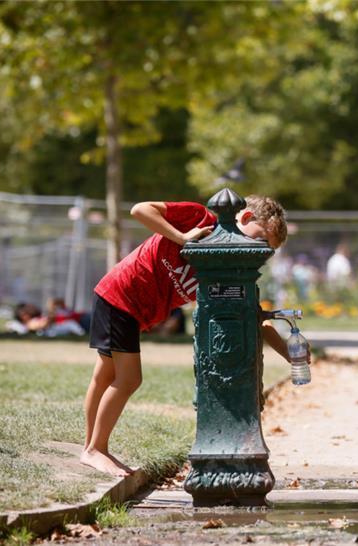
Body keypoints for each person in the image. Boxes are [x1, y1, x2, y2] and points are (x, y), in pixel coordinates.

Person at [81, 196, 304, 477]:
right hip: (122, 296)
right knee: (128, 379)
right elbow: (139, 209)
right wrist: (183, 238)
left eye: (264, 250)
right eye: (260, 240)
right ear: (245, 218)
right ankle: (95, 450)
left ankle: (90, 448)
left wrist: (288, 352)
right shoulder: (198, 218)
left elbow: (248, 315)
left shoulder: (226, 266)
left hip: (133, 310)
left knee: (105, 375)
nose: (257, 251)